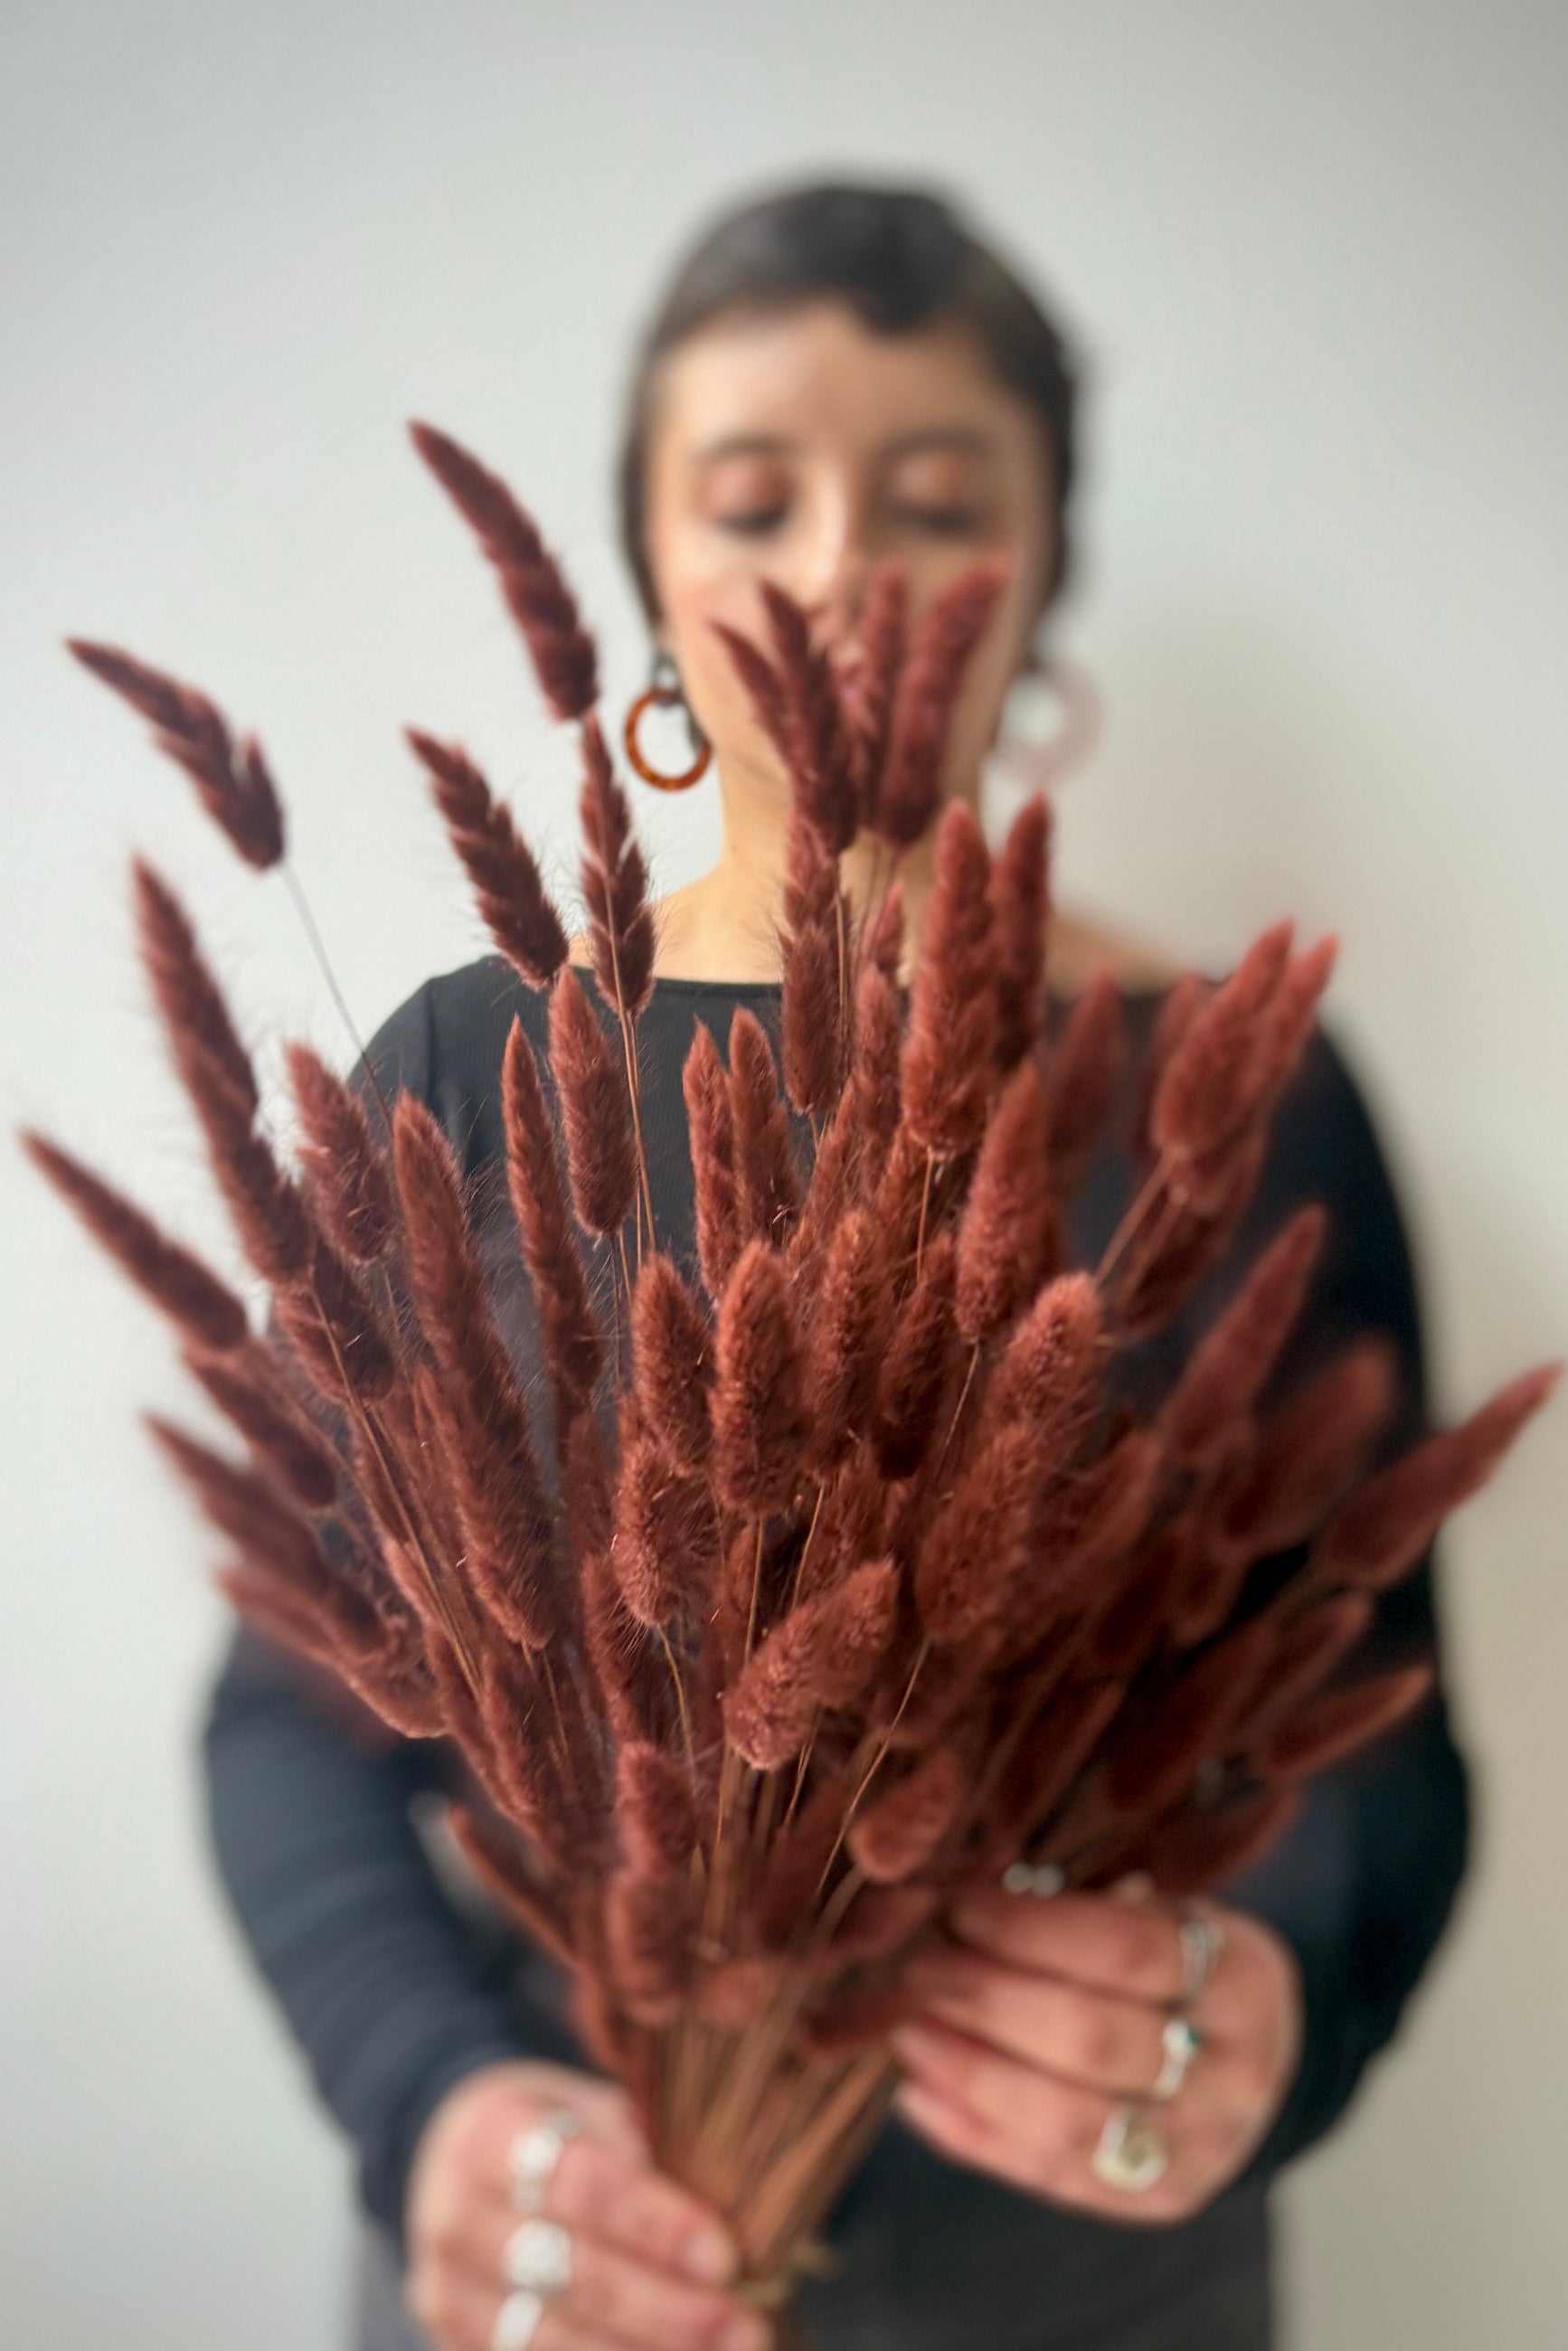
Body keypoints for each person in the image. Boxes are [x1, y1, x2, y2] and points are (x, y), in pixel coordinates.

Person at [201, 180, 1470, 2351]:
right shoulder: (477, 1063)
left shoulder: (1223, 1088)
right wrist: (438, 2103)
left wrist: (1264, 2013)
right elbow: (294, 1711)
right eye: (752, 493)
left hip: (1087, 2285)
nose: (842, 567)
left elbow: (1367, 1740)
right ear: (645, 576)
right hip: (574, 2276)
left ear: (1048, 564)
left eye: (938, 492)